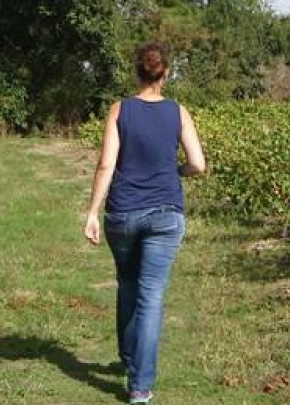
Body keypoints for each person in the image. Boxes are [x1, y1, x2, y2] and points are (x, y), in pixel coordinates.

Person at [82, 42, 206, 405]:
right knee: (150, 296)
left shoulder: (119, 110)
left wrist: (92, 212)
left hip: (122, 213)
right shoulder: (179, 112)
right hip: (167, 214)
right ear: (165, 74)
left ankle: (128, 357)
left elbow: (106, 164)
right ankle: (139, 386)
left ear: (137, 72)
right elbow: (197, 163)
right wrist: (175, 170)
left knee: (127, 283)